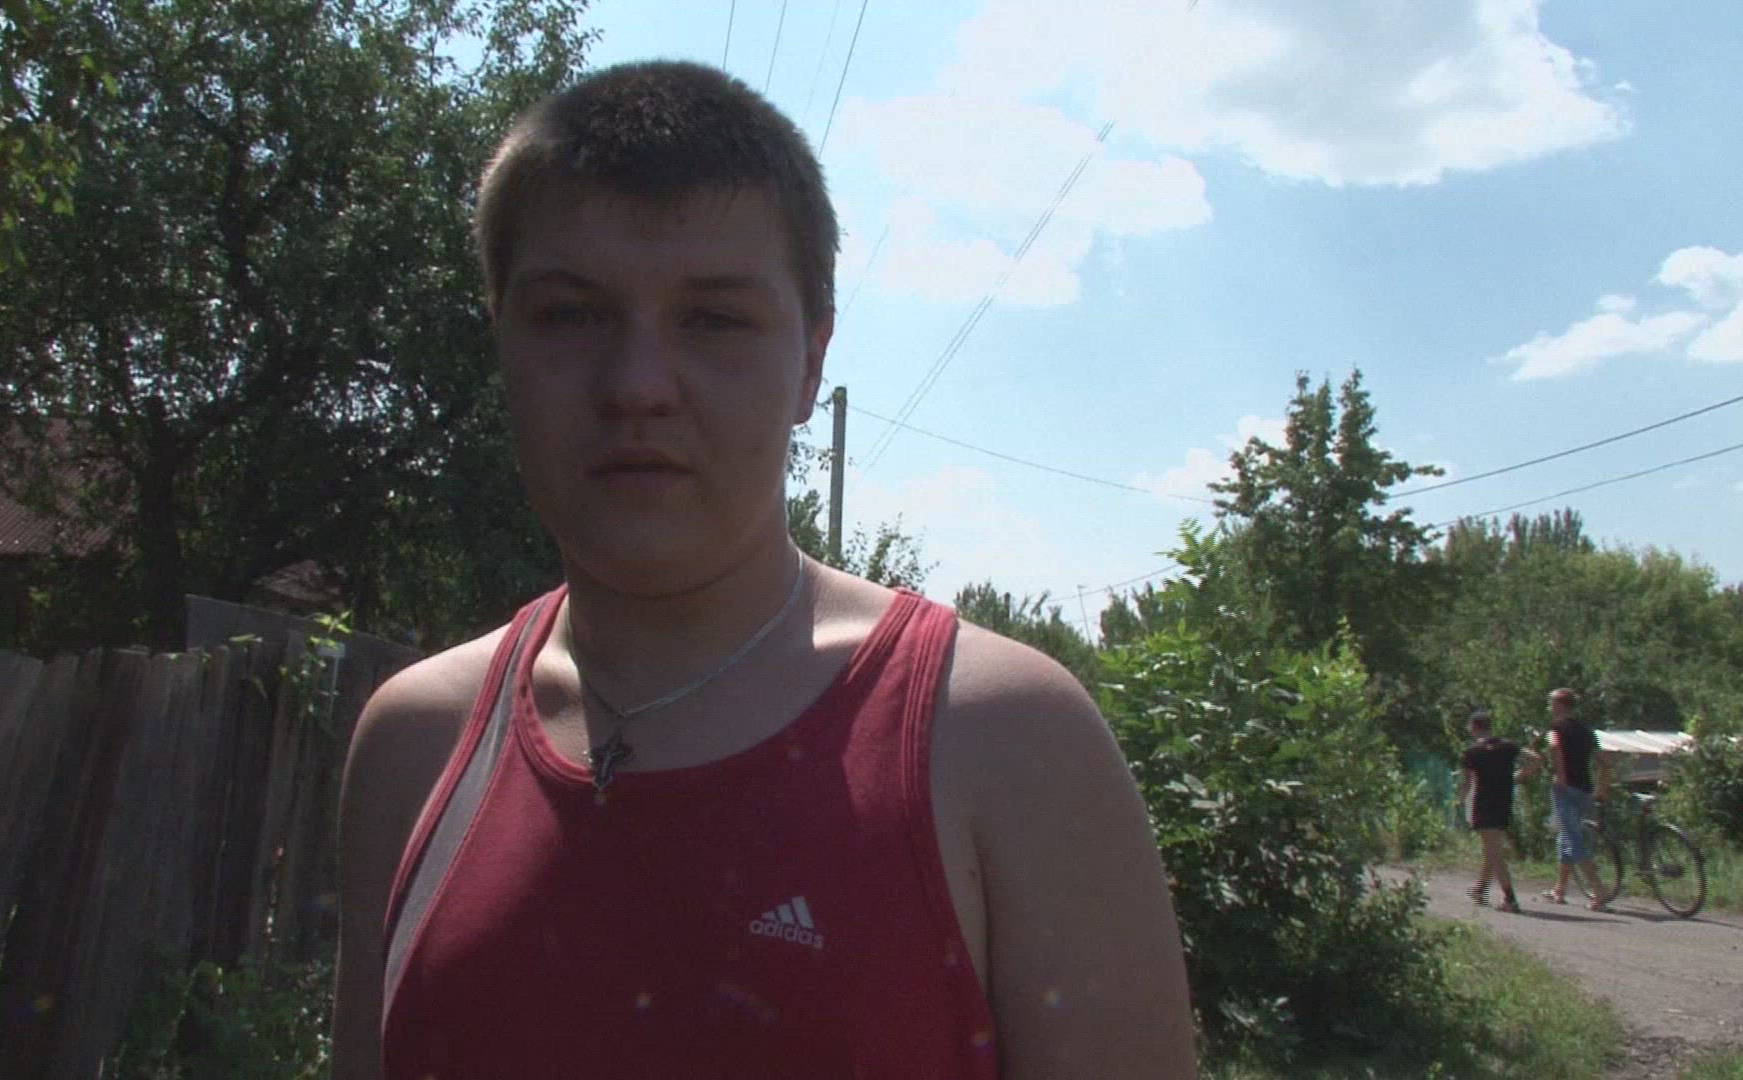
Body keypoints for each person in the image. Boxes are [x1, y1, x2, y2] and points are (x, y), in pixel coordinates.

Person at [330, 60, 1195, 1079]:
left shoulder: (1004, 746)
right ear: (502, 340)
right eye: (570, 313)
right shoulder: (415, 746)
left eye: (715, 319)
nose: (637, 385)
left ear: (812, 362)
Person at [1456, 710, 1540, 913]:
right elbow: (1536, 759)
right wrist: (1518, 776)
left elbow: (1467, 783)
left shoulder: (1471, 752)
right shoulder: (1507, 746)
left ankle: (1510, 898)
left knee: (1494, 851)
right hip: (1504, 799)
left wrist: (1459, 801)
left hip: (1484, 801)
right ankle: (1480, 889)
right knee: (1491, 847)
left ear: (1473, 727)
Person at [1539, 687, 1612, 910]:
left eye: (1551, 703)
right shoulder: (1587, 731)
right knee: (1566, 835)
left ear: (1560, 706)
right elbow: (1603, 762)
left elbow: (1553, 746)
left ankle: (1598, 891)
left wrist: (1560, 776)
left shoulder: (1556, 729)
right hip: (1585, 789)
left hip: (1565, 789)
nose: (1549, 708)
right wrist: (1602, 788)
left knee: (1573, 838)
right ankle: (1559, 889)